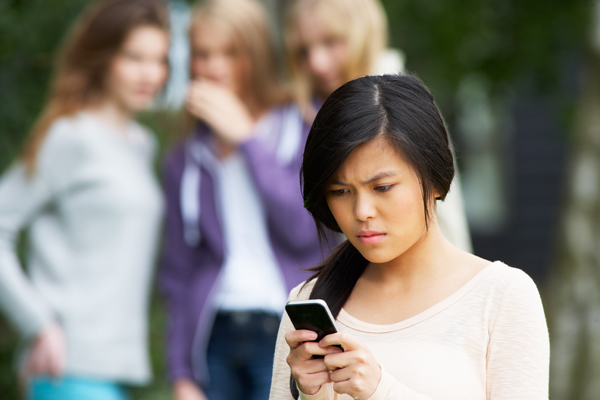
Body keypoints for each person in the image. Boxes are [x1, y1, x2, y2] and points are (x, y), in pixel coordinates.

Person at [269, 74, 549, 400]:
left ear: (434, 180)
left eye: (382, 187)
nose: (361, 211)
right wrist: (313, 393)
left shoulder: (502, 297)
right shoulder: (309, 301)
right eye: (341, 191)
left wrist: (380, 391)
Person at [0, 0, 169, 399]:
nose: (150, 73)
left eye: (160, 60)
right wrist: (38, 324)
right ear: (103, 56)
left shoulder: (143, 145)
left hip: (117, 369)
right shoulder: (69, 136)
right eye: (134, 57)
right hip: (64, 365)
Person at [159, 1, 324, 399]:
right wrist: (180, 373)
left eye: (230, 52)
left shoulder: (301, 124)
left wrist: (247, 138)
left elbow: (306, 231)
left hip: (286, 333)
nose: (214, 66)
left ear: (257, 53)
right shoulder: (186, 155)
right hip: (215, 338)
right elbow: (177, 271)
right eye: (203, 54)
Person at [284, 0, 472, 252]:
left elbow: (447, 219)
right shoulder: (305, 111)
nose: (316, 62)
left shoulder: (400, 107)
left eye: (330, 42)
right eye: (303, 51)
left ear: (363, 34)